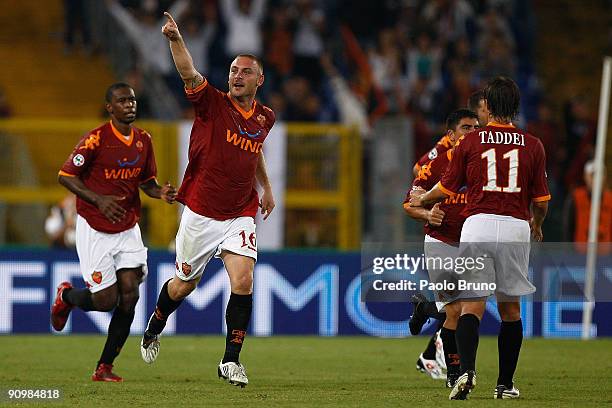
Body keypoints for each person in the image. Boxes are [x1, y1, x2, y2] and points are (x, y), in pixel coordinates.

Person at [139, 12, 276, 388]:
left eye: (245, 71)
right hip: (201, 211)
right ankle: (155, 324)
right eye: (233, 69)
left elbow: (256, 151)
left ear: (259, 80)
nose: (236, 75)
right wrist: (174, 39)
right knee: (184, 285)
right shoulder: (212, 103)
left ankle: (230, 361)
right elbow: (189, 72)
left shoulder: (265, 117)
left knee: (244, 280)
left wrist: (265, 188)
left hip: (240, 212)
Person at [410, 77, 550, 400]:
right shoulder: (533, 144)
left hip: (477, 226)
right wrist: (537, 224)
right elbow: (541, 202)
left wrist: (424, 200)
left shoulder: (470, 143)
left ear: (488, 106)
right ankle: (505, 384)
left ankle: (468, 372)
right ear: (515, 106)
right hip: (515, 226)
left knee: (472, 305)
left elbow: (444, 189)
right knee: (510, 310)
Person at [50, 83, 177, 382]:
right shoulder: (95, 140)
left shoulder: (144, 140)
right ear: (110, 108)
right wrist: (99, 199)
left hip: (128, 225)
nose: (129, 105)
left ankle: (104, 366)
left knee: (130, 293)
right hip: (94, 226)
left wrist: (161, 193)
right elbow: (65, 175)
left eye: (132, 100)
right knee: (106, 300)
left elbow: (147, 182)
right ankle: (66, 296)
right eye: (122, 101)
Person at [404, 109, 479, 387]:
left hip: (473, 242)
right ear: (451, 135)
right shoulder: (436, 163)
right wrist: (427, 215)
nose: (471, 133)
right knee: (455, 310)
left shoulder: (484, 164)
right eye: (465, 128)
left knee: (469, 307)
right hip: (441, 242)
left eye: (475, 128)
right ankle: (454, 373)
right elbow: (410, 203)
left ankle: (425, 309)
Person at [412, 90, 487, 177]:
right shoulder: (453, 139)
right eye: (485, 110)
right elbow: (417, 169)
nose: (490, 114)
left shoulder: (494, 136)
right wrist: (445, 186)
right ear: (474, 114)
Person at [563, 160, 612, 250]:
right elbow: (569, 227)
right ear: (585, 176)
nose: (596, 179)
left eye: (600, 175)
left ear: (605, 177)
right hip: (580, 254)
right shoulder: (575, 198)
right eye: (592, 175)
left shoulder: (610, 199)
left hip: (605, 256)